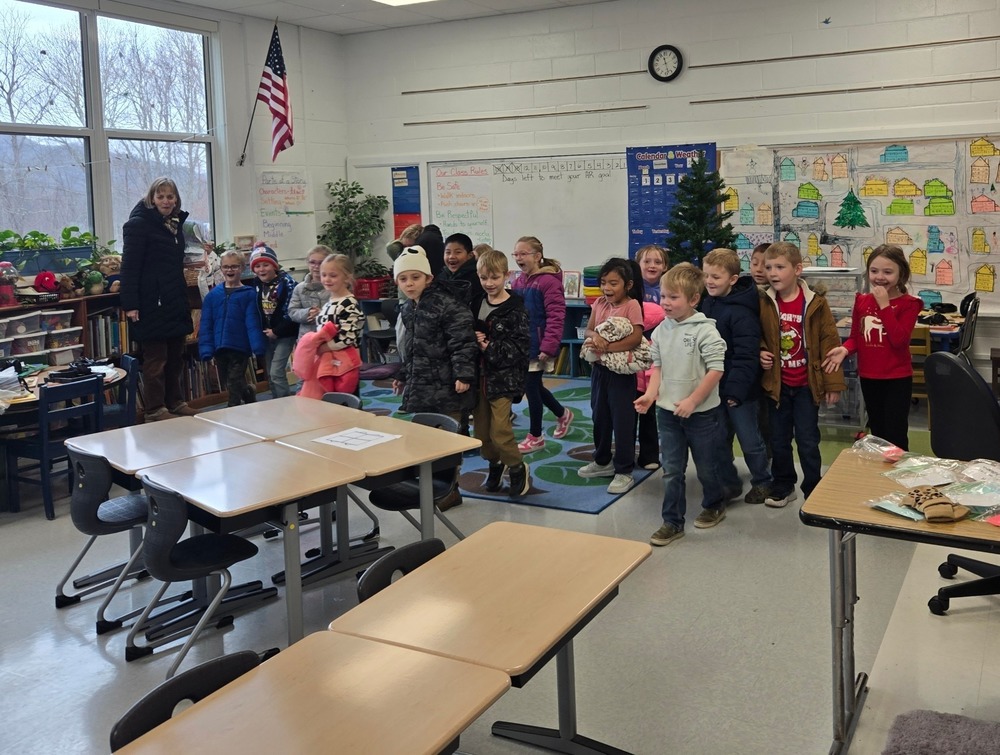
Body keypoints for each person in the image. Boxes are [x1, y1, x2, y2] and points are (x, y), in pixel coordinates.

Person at [635, 263, 728, 546]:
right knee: (672, 469)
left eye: (673, 297)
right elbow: (657, 367)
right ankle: (672, 522)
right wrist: (651, 395)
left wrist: (692, 400)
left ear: (693, 300)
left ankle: (714, 503)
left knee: (706, 468)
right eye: (663, 296)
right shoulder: (661, 331)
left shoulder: (706, 332)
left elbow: (716, 370)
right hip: (667, 412)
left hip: (702, 414)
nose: (665, 302)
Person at [759, 242, 845, 507]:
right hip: (778, 386)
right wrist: (759, 351)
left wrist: (833, 384)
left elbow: (830, 342)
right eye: (769, 267)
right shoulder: (763, 301)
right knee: (779, 439)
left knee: (808, 440)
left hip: (807, 386)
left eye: (780, 267)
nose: (773, 273)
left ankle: (813, 488)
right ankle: (783, 485)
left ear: (797, 270)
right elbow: (756, 335)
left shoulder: (816, 304)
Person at [822, 244, 922, 450]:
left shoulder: (910, 304)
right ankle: (878, 477)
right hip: (869, 376)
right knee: (877, 431)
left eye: (888, 272)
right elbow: (855, 339)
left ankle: (897, 475)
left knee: (895, 433)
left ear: (901, 274)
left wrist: (884, 306)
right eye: (874, 271)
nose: (879, 277)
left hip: (896, 378)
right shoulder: (862, 301)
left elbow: (899, 340)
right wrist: (845, 350)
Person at [120, 176, 197, 422]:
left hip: (174, 299)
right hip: (151, 302)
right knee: (156, 360)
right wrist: (131, 304)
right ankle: (155, 409)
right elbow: (129, 267)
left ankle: (175, 402)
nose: (166, 201)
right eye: (161, 196)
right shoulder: (138, 225)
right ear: (152, 199)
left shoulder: (174, 225)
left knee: (176, 356)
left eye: (170, 196)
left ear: (176, 199)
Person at [700, 248, 772, 504]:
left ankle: (763, 481)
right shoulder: (707, 302)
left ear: (732, 279)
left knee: (750, 440)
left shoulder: (742, 311)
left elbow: (746, 355)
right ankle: (729, 483)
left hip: (741, 392)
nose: (709, 281)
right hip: (713, 387)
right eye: (706, 275)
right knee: (719, 439)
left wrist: (735, 392)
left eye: (716, 277)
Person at [577, 257, 644, 495]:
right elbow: (589, 329)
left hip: (621, 374)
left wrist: (607, 348)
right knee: (600, 416)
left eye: (613, 283)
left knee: (622, 420)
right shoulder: (598, 304)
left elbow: (636, 337)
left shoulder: (632, 305)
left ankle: (624, 470)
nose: (607, 288)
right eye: (604, 282)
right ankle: (602, 460)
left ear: (627, 285)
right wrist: (595, 338)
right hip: (599, 372)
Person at [392, 244, 478, 427]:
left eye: (416, 277)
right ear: (397, 282)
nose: (409, 283)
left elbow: (463, 342)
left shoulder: (447, 304)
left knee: (451, 429)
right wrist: (403, 376)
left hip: (448, 383)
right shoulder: (408, 308)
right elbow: (411, 347)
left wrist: (463, 375)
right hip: (422, 384)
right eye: (403, 278)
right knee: (428, 434)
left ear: (428, 278)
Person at [471, 249, 531, 498]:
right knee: (482, 433)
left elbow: (520, 346)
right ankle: (494, 464)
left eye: (494, 277)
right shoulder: (476, 303)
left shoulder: (515, 308)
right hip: (479, 377)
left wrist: (489, 346)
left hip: (504, 379)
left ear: (506, 275)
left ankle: (517, 468)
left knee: (501, 430)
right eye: (484, 278)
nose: (489, 283)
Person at [511, 236, 573, 451]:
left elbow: (556, 316)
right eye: (516, 254)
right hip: (523, 344)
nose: (518, 258)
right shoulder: (518, 281)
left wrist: (548, 346)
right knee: (534, 386)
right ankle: (562, 414)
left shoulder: (549, 282)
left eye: (523, 254)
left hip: (539, 344)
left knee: (531, 386)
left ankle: (535, 435)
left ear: (537, 256)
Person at [197, 250, 267, 406]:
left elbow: (252, 323)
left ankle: (232, 408)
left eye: (234, 266)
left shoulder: (248, 294)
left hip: (239, 347)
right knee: (228, 379)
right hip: (219, 347)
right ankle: (248, 392)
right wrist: (206, 349)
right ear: (221, 268)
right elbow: (206, 324)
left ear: (242, 268)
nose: (230, 270)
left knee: (234, 381)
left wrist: (257, 347)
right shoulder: (212, 296)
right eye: (226, 267)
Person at [249, 243, 299, 398]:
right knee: (270, 375)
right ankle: (276, 403)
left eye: (266, 265)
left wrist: (277, 331)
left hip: (284, 334)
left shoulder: (287, 284)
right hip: (267, 334)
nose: (261, 269)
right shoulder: (257, 284)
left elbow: (290, 312)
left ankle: (285, 403)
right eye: (257, 266)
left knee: (276, 373)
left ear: (274, 266)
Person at [313, 253, 365, 394]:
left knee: (346, 400)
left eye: (333, 275)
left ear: (347, 278)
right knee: (330, 398)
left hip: (346, 363)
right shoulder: (329, 303)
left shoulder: (349, 303)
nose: (327, 279)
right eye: (324, 275)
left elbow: (347, 338)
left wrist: (323, 348)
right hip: (329, 360)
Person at [288, 245, 334, 340]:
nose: (316, 267)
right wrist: (307, 313)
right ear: (308, 263)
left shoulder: (335, 287)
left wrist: (322, 315)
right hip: (306, 338)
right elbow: (292, 311)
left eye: (321, 263)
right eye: (312, 262)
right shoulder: (299, 288)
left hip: (330, 338)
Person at [439, 232, 484, 305]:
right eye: (448, 252)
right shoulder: (441, 277)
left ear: (470, 255)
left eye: (458, 252)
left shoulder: (477, 277)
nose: (451, 256)